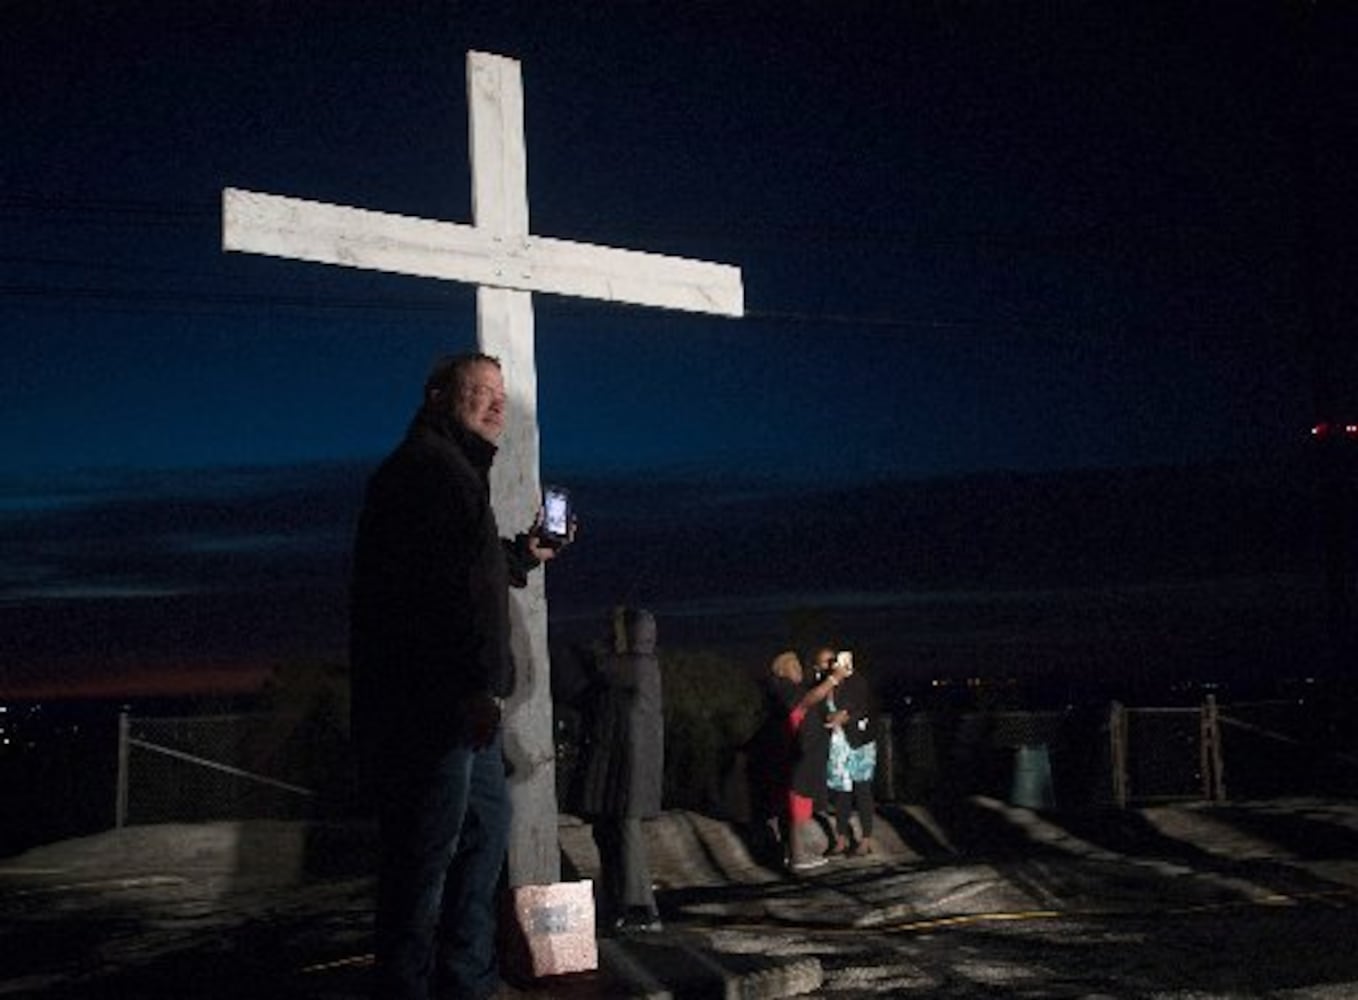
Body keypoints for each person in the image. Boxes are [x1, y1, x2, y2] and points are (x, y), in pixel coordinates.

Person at [349, 351, 569, 1000]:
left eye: (501, 394)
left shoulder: (452, 473)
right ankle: (407, 987)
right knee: (424, 860)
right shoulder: (423, 471)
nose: (496, 404)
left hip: (465, 710)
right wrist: (471, 687)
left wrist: (521, 554)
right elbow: (427, 594)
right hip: (433, 706)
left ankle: (466, 980)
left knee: (479, 844)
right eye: (479, 391)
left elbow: (465, 569)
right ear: (438, 394)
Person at [574, 607, 665, 933]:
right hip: (622, 764)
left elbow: (593, 662)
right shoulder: (636, 665)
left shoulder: (637, 665)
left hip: (629, 768)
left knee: (626, 835)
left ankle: (638, 906)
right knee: (610, 832)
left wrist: (604, 642)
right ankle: (620, 903)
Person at [766, 649, 849, 871]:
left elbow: (814, 710)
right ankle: (798, 856)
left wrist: (834, 718)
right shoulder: (784, 688)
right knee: (796, 806)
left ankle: (792, 852)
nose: (798, 669)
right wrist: (834, 678)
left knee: (798, 805)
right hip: (796, 756)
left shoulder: (794, 689)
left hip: (805, 756)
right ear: (782, 670)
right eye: (793, 665)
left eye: (798, 665)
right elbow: (806, 702)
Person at [824, 654, 880, 857]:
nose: (833, 666)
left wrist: (845, 717)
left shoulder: (858, 681)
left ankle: (865, 840)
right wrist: (829, 717)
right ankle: (841, 839)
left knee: (862, 790)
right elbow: (823, 709)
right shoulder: (828, 683)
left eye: (836, 662)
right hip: (838, 744)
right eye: (831, 663)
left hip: (858, 744)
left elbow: (866, 707)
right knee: (842, 794)